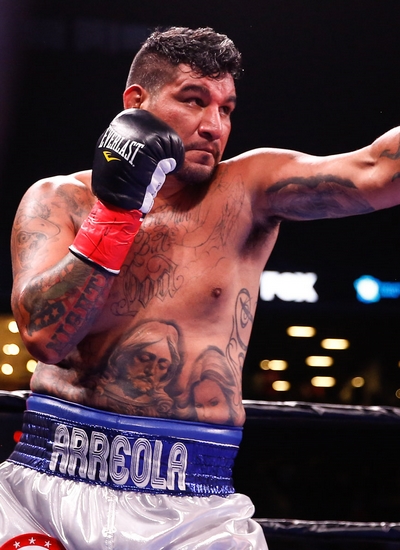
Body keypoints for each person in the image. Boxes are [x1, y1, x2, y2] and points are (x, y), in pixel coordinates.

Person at [1, 25, 400, 549]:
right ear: (136, 103)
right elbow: (45, 337)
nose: (214, 126)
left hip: (192, 505)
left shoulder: (250, 189)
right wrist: (117, 212)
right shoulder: (59, 199)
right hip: (45, 487)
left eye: (226, 109)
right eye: (194, 100)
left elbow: (378, 171)